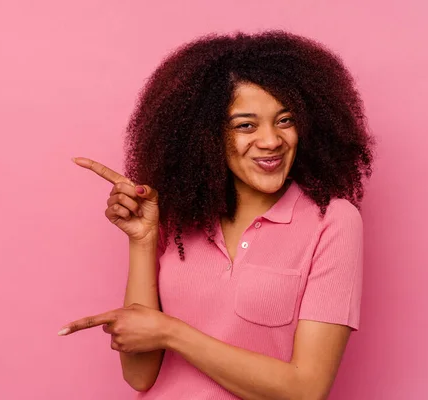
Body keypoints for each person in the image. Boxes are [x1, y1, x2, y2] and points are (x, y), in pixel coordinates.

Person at [59, 30, 375, 400]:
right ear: (206, 135)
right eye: (246, 125)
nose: (271, 140)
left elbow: (306, 390)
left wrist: (170, 332)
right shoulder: (178, 221)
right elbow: (140, 376)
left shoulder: (332, 221)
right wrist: (143, 240)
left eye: (285, 120)